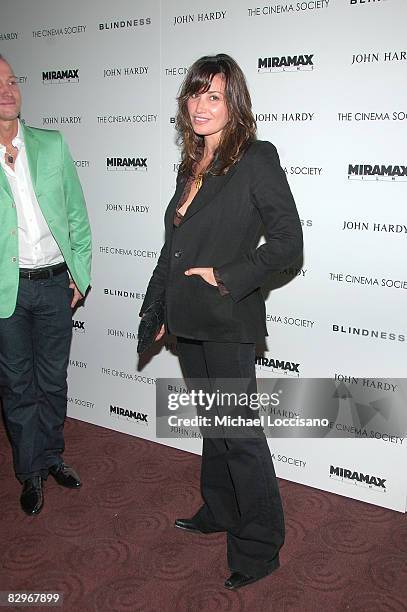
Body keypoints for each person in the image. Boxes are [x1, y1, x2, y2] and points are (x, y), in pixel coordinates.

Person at [140, 54, 303, 589]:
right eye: (195, 93)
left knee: (240, 436)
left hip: (230, 318)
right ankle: (219, 509)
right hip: (190, 320)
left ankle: (259, 545)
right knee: (215, 424)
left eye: (214, 96)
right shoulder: (190, 167)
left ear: (234, 105)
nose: (201, 105)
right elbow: (173, 246)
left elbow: (288, 245)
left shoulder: (256, 159)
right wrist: (160, 307)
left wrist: (226, 275)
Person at [0, 54, 92, 515]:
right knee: (17, 386)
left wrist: (81, 273)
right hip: (7, 292)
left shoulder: (51, 144)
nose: (8, 90)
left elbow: (77, 213)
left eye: (12, 80)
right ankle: (30, 471)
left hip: (55, 282)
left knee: (53, 380)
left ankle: (52, 456)